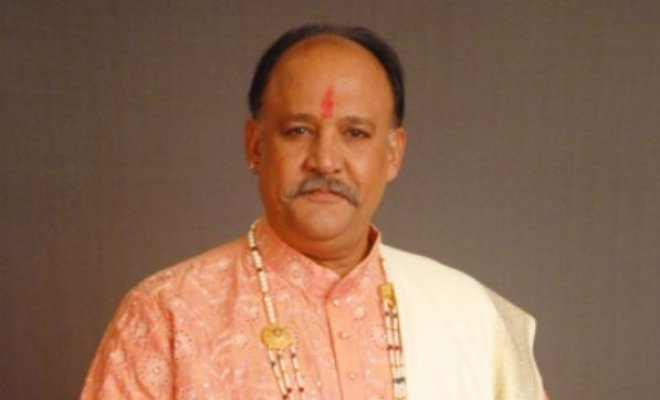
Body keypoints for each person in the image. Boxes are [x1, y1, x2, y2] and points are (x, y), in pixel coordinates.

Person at [81, 24, 547, 399]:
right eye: (299, 131)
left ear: (393, 154)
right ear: (256, 145)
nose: (325, 161)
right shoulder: (167, 315)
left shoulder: (471, 317)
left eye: (355, 133)